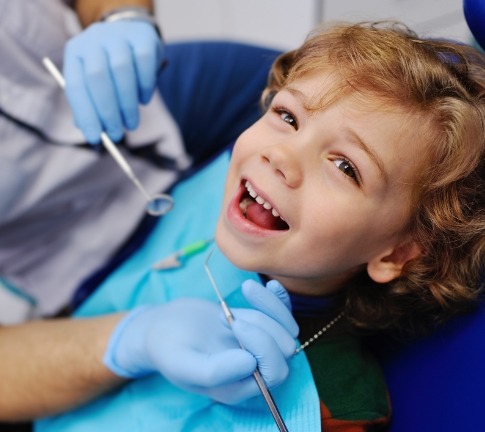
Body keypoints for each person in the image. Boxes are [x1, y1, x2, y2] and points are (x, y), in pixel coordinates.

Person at [33, 20, 485, 432]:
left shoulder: (339, 409)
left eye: (346, 166)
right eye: (288, 117)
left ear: (395, 254)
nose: (280, 155)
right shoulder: (214, 182)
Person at [0, 0, 279, 428]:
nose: (286, 163)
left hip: (150, 106)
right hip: (74, 259)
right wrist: (131, 340)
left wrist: (121, 15)